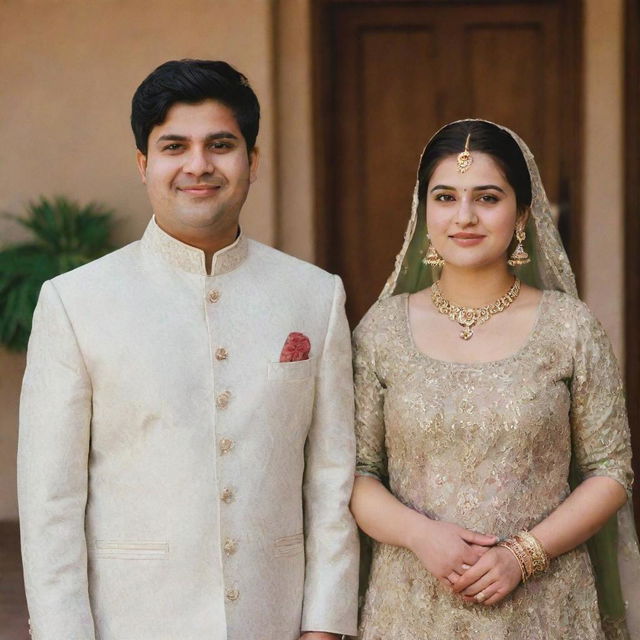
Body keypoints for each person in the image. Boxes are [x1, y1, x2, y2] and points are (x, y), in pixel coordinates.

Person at [18, 59, 358, 640]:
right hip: (133, 621)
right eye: (175, 146)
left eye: (220, 145)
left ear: (252, 161)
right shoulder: (75, 303)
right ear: (144, 165)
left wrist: (324, 625)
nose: (198, 165)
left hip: (273, 619)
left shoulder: (313, 295)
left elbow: (331, 477)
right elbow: (51, 503)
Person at [350, 119, 640, 639]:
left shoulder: (570, 327)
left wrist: (524, 555)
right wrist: (421, 536)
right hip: (412, 608)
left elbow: (610, 471)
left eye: (487, 197)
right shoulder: (381, 331)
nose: (464, 217)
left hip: (543, 606)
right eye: (444, 197)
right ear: (424, 211)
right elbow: (356, 472)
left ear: (522, 212)